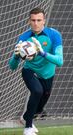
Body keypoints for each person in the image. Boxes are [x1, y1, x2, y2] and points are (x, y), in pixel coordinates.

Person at [9, 7, 63, 135]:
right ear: (29, 21)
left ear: (44, 21)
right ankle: (28, 128)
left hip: (48, 75)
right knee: (37, 91)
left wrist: (43, 53)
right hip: (30, 71)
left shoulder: (54, 35)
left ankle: (27, 117)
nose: (36, 23)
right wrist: (16, 56)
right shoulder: (24, 38)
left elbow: (60, 61)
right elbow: (12, 66)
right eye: (33, 20)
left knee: (39, 107)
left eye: (39, 20)